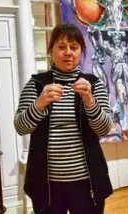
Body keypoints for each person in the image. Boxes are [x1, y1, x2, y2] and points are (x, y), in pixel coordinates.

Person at [14, 23, 113, 214]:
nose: (68, 52)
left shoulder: (93, 84)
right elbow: (20, 127)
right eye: (61, 47)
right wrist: (39, 103)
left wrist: (90, 102)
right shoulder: (36, 85)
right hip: (46, 184)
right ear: (51, 50)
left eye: (74, 47)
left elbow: (104, 129)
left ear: (81, 52)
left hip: (87, 183)